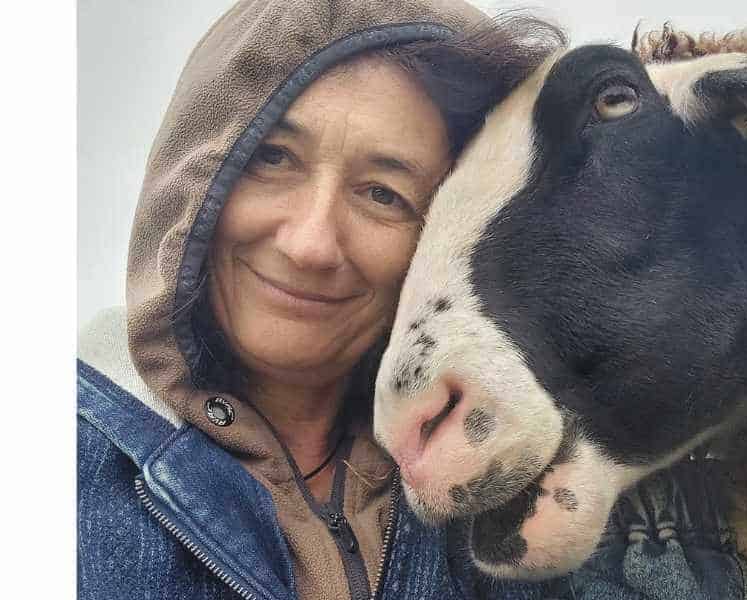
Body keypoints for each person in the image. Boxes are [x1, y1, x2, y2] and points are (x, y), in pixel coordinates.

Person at [77, 1, 568, 599]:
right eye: (273, 158)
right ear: (195, 173)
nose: (310, 244)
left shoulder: (517, 494)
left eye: (382, 194)